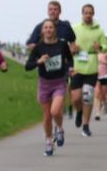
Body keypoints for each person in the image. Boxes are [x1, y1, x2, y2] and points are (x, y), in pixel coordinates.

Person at [24, 19, 73, 156]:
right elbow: (28, 66)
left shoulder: (62, 44)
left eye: (50, 27)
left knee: (55, 111)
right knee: (46, 116)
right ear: (42, 31)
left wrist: (70, 69)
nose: (48, 30)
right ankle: (49, 141)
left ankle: (60, 129)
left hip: (59, 82)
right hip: (44, 84)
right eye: (46, 27)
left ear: (54, 30)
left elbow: (69, 59)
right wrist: (39, 61)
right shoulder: (38, 47)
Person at [26, 1, 77, 120]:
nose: (52, 11)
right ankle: (58, 113)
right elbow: (31, 44)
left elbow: (73, 42)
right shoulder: (40, 26)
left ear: (60, 11)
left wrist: (71, 50)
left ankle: (60, 111)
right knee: (48, 110)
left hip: (62, 66)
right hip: (46, 68)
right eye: (50, 9)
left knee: (62, 89)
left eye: (55, 9)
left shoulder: (66, 26)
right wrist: (39, 51)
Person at [69, 4, 107, 136]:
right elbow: (68, 44)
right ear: (82, 14)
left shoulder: (99, 30)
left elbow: (105, 47)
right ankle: (79, 111)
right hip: (77, 66)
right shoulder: (75, 28)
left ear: (93, 14)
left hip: (91, 66)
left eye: (90, 13)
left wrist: (100, 47)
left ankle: (86, 125)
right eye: (85, 13)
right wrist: (72, 48)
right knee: (75, 98)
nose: (88, 15)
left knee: (88, 96)